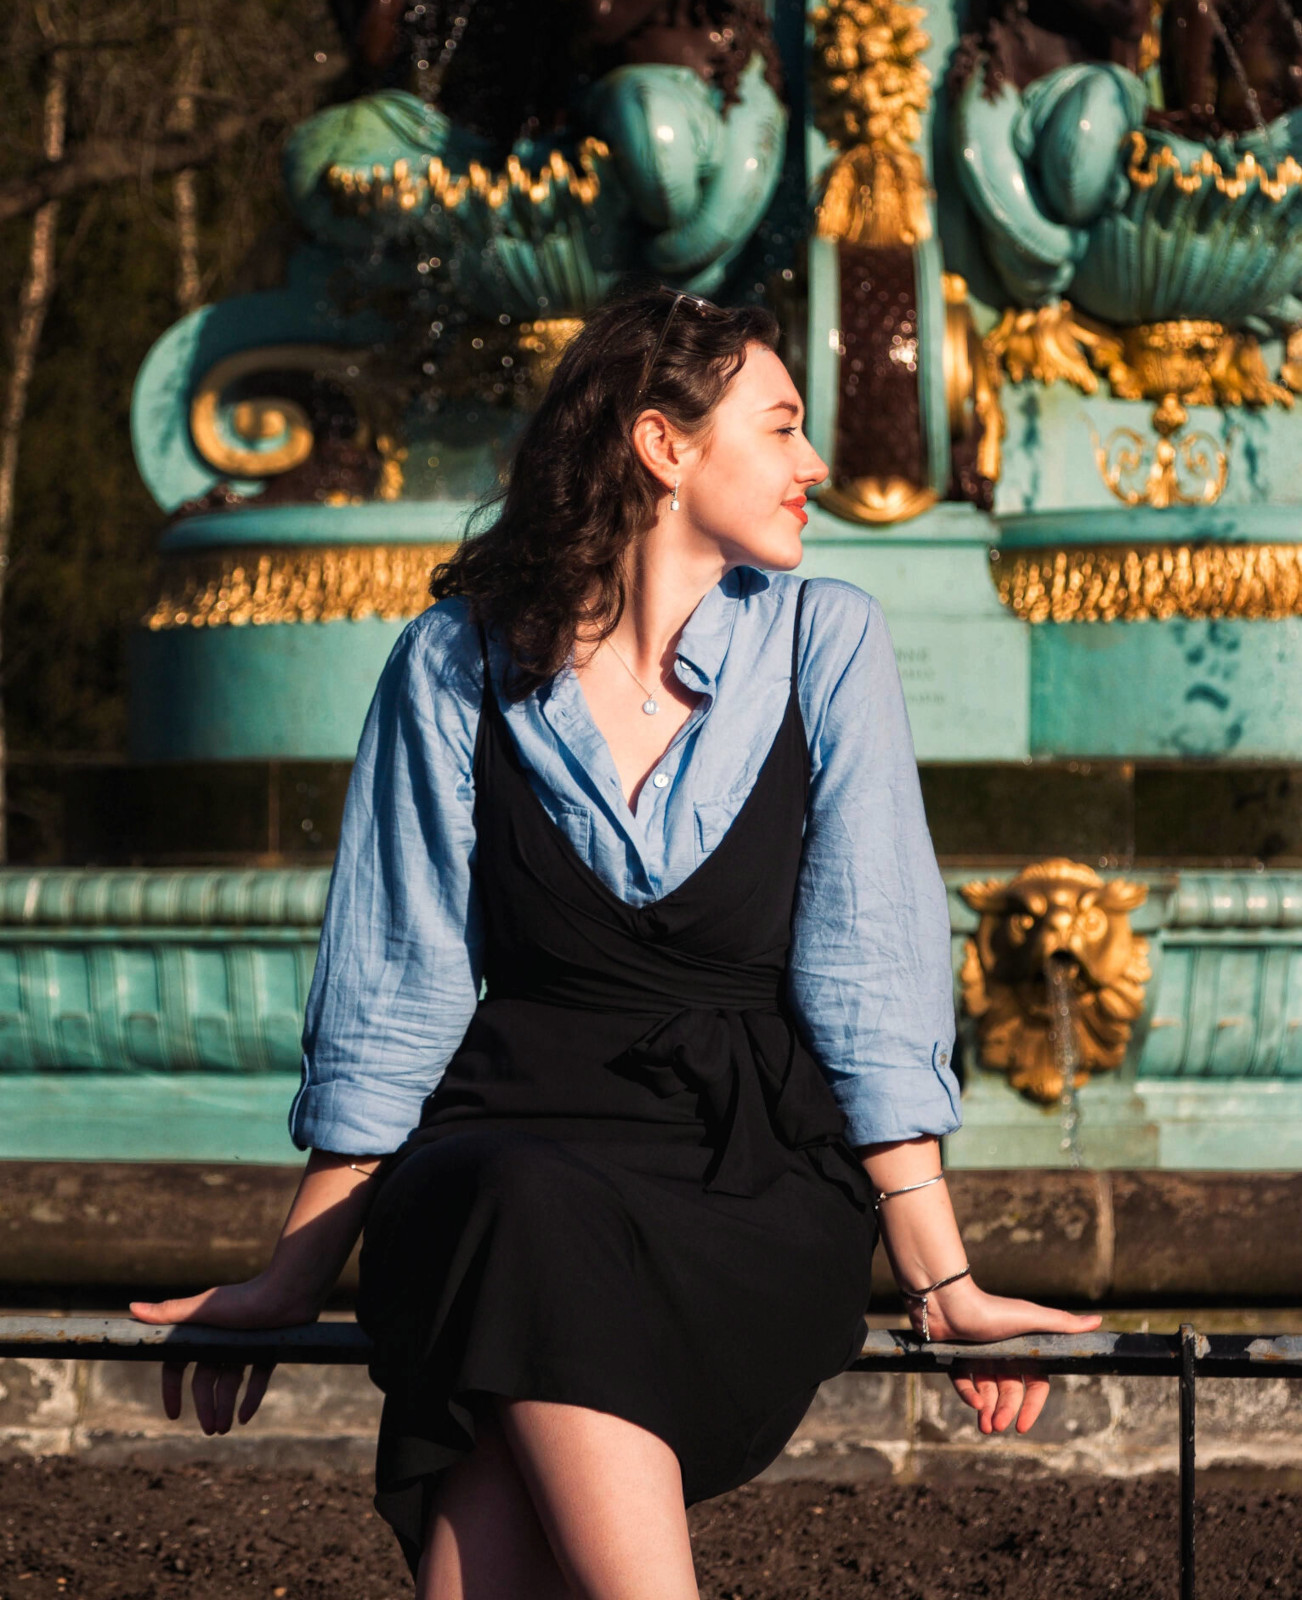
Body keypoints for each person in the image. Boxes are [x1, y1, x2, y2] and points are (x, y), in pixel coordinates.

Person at [132, 282, 1100, 1600]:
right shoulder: (449, 664)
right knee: (516, 1214)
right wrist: (290, 1272)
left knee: (503, 1391)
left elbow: (867, 978)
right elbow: (395, 990)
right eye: (781, 426)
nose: (817, 464)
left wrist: (947, 1280)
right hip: (504, 1150)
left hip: (741, 1177)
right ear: (663, 445)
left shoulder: (827, 642)